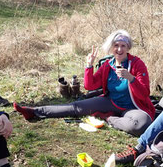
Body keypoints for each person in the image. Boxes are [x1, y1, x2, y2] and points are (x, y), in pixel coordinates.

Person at [13, 30, 155, 136]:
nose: (119, 49)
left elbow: (144, 94)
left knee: (141, 125)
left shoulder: (137, 64)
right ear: (111, 47)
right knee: (76, 107)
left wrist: (131, 78)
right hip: (110, 102)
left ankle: (109, 118)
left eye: (123, 45)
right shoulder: (108, 65)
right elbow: (90, 86)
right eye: (116, 45)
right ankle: (34, 111)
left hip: (133, 107)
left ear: (128, 47)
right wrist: (89, 66)